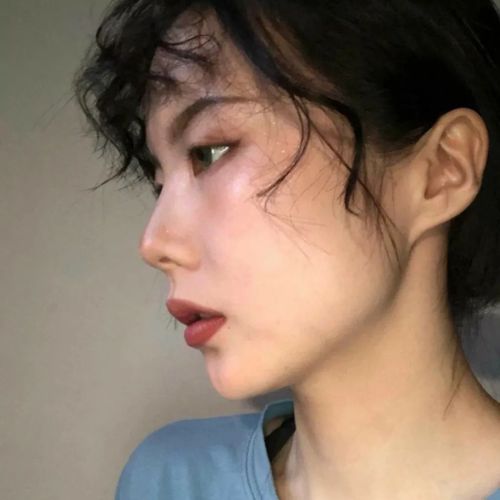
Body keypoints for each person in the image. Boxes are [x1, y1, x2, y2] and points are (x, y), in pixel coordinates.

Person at [73, 0, 500, 498]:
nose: (154, 243)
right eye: (159, 184)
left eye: (209, 152)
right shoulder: (168, 479)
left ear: (442, 170)